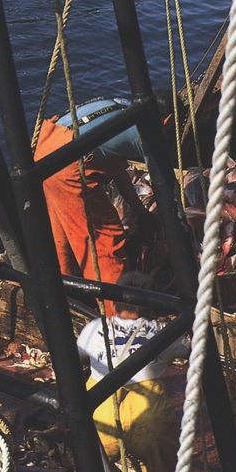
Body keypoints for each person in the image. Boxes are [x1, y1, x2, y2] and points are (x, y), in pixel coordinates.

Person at [33, 94, 173, 314]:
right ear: (167, 119)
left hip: (46, 146)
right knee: (106, 242)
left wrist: (140, 211)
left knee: (62, 232)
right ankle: (116, 313)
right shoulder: (146, 134)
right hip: (69, 165)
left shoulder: (123, 108)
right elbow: (164, 182)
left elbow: (118, 171)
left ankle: (66, 292)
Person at [76, 271, 190, 472]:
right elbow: (189, 349)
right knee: (160, 467)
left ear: (115, 303)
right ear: (151, 305)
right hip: (147, 413)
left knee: (97, 467)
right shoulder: (163, 330)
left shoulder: (94, 328)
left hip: (100, 404)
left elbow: (78, 357)